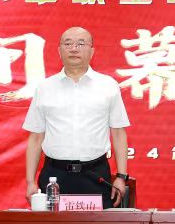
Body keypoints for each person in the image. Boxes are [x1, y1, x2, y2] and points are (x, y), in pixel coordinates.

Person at [24, 26, 130, 209]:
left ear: (92, 51)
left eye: (81, 44)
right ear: (59, 51)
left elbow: (119, 133)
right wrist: (30, 181)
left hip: (95, 174)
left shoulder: (108, 85)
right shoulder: (45, 88)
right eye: (68, 44)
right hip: (54, 177)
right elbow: (35, 138)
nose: (74, 48)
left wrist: (121, 176)